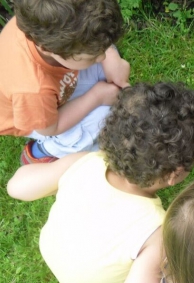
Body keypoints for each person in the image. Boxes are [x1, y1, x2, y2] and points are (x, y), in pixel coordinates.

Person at [7, 82, 194, 283]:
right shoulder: (156, 230)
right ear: (173, 174)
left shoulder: (86, 161)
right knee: (171, 269)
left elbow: (16, 187)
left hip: (52, 250)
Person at [0, 0, 129, 163]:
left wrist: (112, 57)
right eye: (92, 56)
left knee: (105, 76)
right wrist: (97, 97)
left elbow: (95, 42)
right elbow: (50, 128)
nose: (101, 57)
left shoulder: (43, 25)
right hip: (40, 119)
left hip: (54, 85)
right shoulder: (32, 89)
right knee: (104, 119)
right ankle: (46, 150)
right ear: (47, 49)